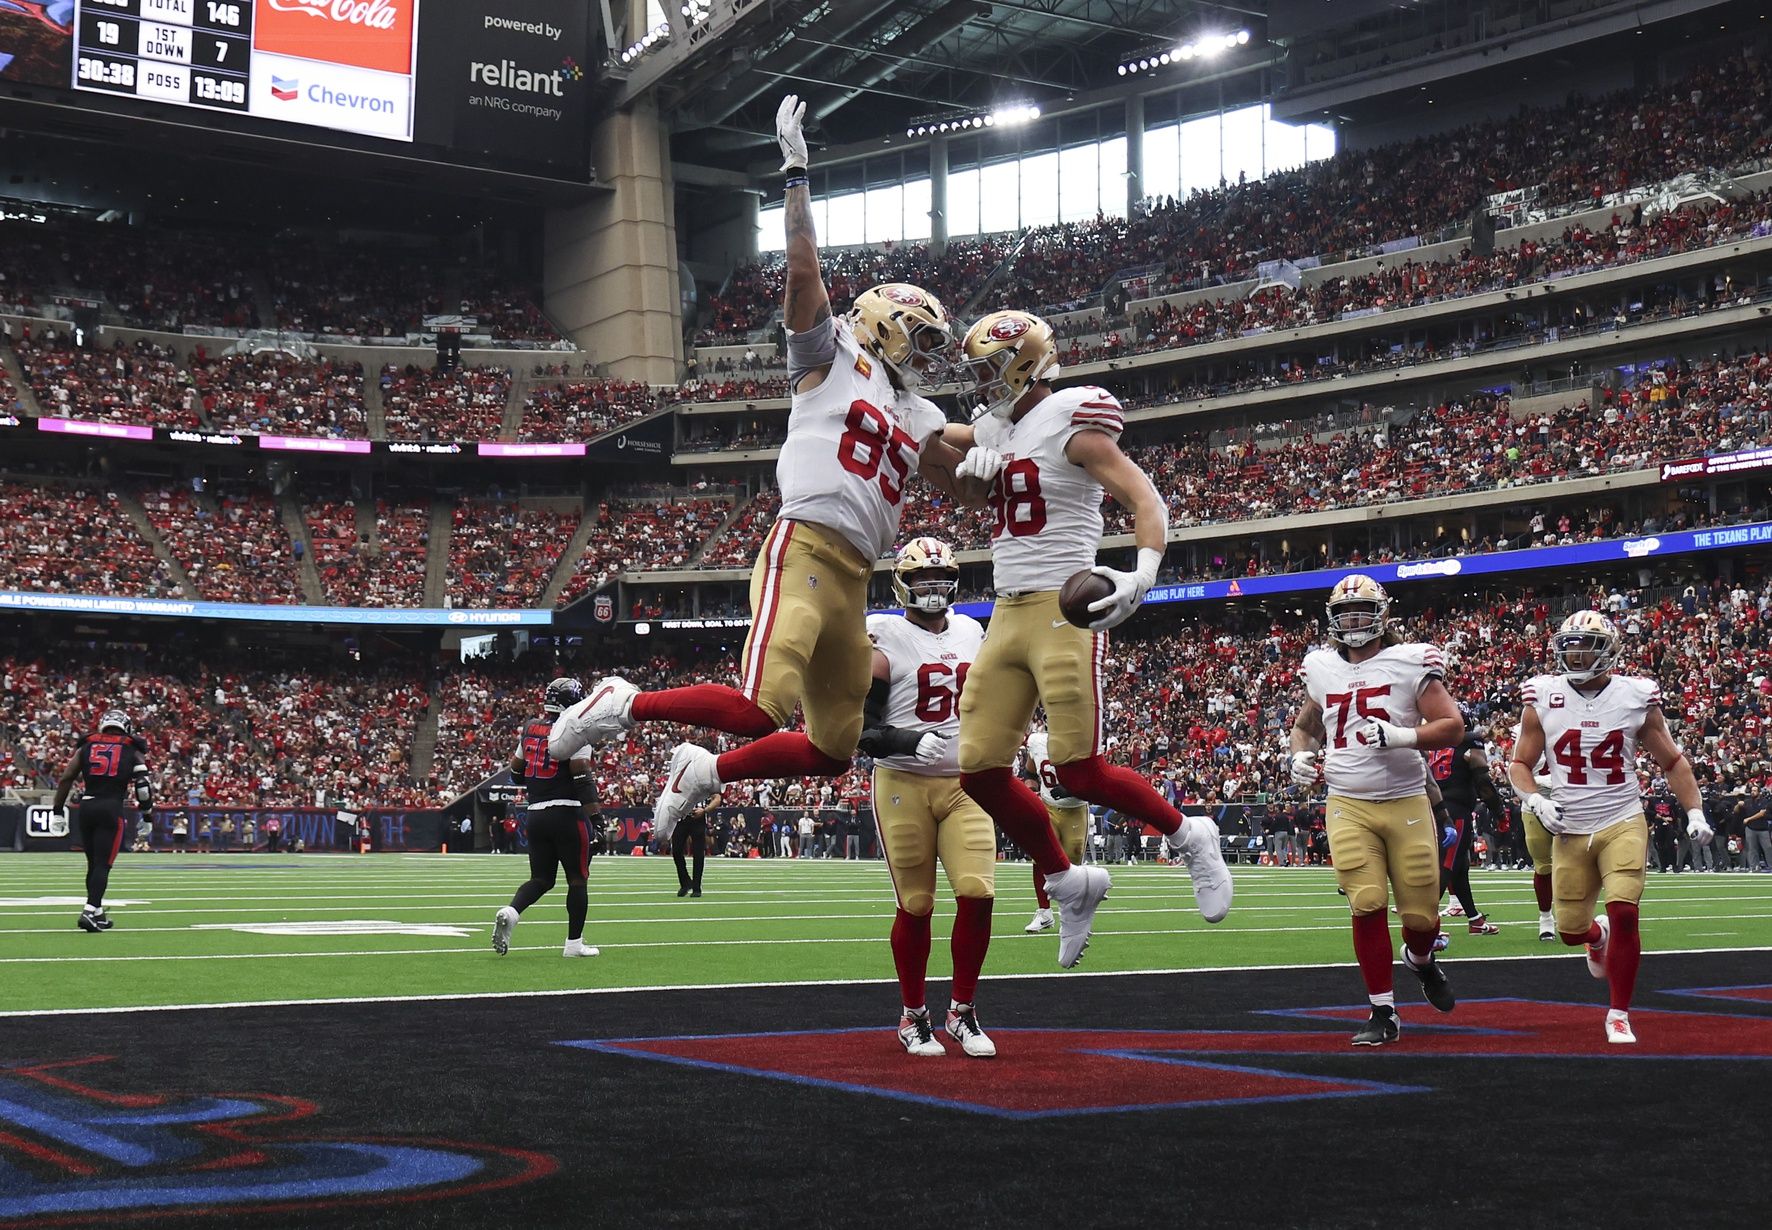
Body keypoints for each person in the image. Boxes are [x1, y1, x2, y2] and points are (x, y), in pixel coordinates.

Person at [549, 95, 991, 839]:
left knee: (832, 749)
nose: (923, 355)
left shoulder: (913, 408)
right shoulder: (832, 354)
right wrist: (794, 176)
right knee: (762, 707)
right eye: (917, 338)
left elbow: (961, 478)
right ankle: (623, 702)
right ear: (884, 320)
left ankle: (703, 771)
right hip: (806, 548)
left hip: (854, 580)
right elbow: (802, 273)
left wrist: (1007, 436)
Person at [946, 309, 1233, 969]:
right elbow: (942, 436)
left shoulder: (1072, 418)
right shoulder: (997, 426)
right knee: (981, 773)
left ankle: (1189, 836)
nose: (982, 382)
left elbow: (1145, 497)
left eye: (990, 367)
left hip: (1060, 607)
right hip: (1006, 609)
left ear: (1023, 362)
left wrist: (1145, 573)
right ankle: (1068, 881)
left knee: (1077, 771)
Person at [1508, 611, 1712, 1044]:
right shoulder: (1542, 694)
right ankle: (1594, 937)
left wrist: (1694, 810)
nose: (1575, 653)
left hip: (1622, 817)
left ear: (1610, 650)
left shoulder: (1635, 695)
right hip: (1570, 825)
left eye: (1586, 644)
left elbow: (1671, 760)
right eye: (1570, 644)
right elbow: (1520, 764)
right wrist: (1534, 798)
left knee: (1625, 910)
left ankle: (1618, 1012)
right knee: (1570, 930)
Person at [1288, 575, 1463, 1046]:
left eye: (1363, 611)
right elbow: (1305, 727)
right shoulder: (1322, 667)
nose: (1354, 621)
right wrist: (1299, 755)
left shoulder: (1409, 661)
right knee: (1366, 902)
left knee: (1422, 919)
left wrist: (1403, 735)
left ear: (1382, 615)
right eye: (1346, 613)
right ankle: (1382, 1011)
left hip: (1406, 799)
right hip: (1348, 801)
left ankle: (1421, 961)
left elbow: (1452, 726)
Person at [859, 539, 995, 1057]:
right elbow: (860, 729)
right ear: (903, 584)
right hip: (903, 781)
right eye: (922, 580)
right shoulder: (882, 633)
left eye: (941, 579)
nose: (933, 589)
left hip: (968, 781)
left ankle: (962, 1011)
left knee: (978, 893)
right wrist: (907, 739)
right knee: (916, 905)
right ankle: (913, 1014)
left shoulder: (971, 631)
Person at [493, 679, 601, 959]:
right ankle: (573, 944)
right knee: (578, 879)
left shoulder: (531, 727)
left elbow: (516, 772)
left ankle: (511, 911)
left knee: (541, 878)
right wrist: (597, 819)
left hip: (536, 813)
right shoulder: (574, 728)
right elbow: (581, 777)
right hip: (566, 813)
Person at [50, 709, 150, 933]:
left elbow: (67, 777)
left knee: (93, 863)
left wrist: (57, 810)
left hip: (86, 806)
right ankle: (90, 909)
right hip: (110, 807)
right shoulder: (131, 748)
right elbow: (143, 787)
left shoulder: (87, 745)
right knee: (103, 864)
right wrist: (147, 814)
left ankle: (97, 913)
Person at [1426, 707, 1508, 939]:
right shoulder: (1469, 739)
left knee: (1459, 868)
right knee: (1446, 865)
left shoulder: (1435, 743)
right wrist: (1499, 811)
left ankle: (1475, 920)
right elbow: (1482, 779)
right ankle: (1426, 925)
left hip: (1435, 808)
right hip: (1456, 811)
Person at [1020, 720, 1090, 935]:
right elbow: (1030, 774)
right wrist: (1029, 789)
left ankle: (1071, 915)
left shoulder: (1081, 744)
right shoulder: (1037, 742)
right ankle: (1044, 913)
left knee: (1072, 863)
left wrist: (1071, 790)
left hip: (1075, 810)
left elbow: (1094, 783)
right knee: (1039, 858)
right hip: (1047, 807)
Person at [675, 794, 715, 897]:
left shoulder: (705, 781)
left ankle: (696, 887)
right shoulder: (678, 779)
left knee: (698, 853)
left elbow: (717, 798)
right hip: (681, 817)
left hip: (698, 818)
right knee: (676, 851)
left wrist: (705, 810)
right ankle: (685, 882)